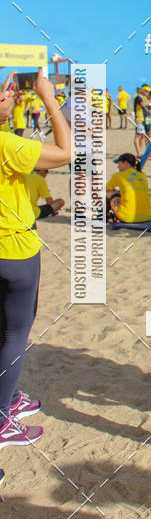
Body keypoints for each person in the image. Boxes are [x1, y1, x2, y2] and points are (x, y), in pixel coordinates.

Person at [0, 69, 71, 451]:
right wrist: (47, 95)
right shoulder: (7, 144)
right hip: (13, 250)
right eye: (5, 93)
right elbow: (66, 152)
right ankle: (2, 419)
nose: (10, 94)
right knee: (14, 334)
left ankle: (8, 399)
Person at [106, 153, 151, 224]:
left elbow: (106, 189)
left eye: (119, 164)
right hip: (148, 216)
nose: (118, 167)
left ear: (125, 163)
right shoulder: (142, 174)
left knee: (109, 193)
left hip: (127, 217)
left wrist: (115, 192)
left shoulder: (119, 175)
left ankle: (106, 217)